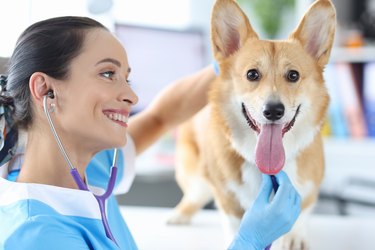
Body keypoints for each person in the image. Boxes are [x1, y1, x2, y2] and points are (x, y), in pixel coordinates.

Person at [0, 16, 301, 250]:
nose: (131, 96)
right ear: (46, 90)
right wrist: (249, 241)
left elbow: (160, 117)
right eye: (108, 74)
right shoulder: (37, 236)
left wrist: (234, 62)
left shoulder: (89, 170)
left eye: (127, 78)